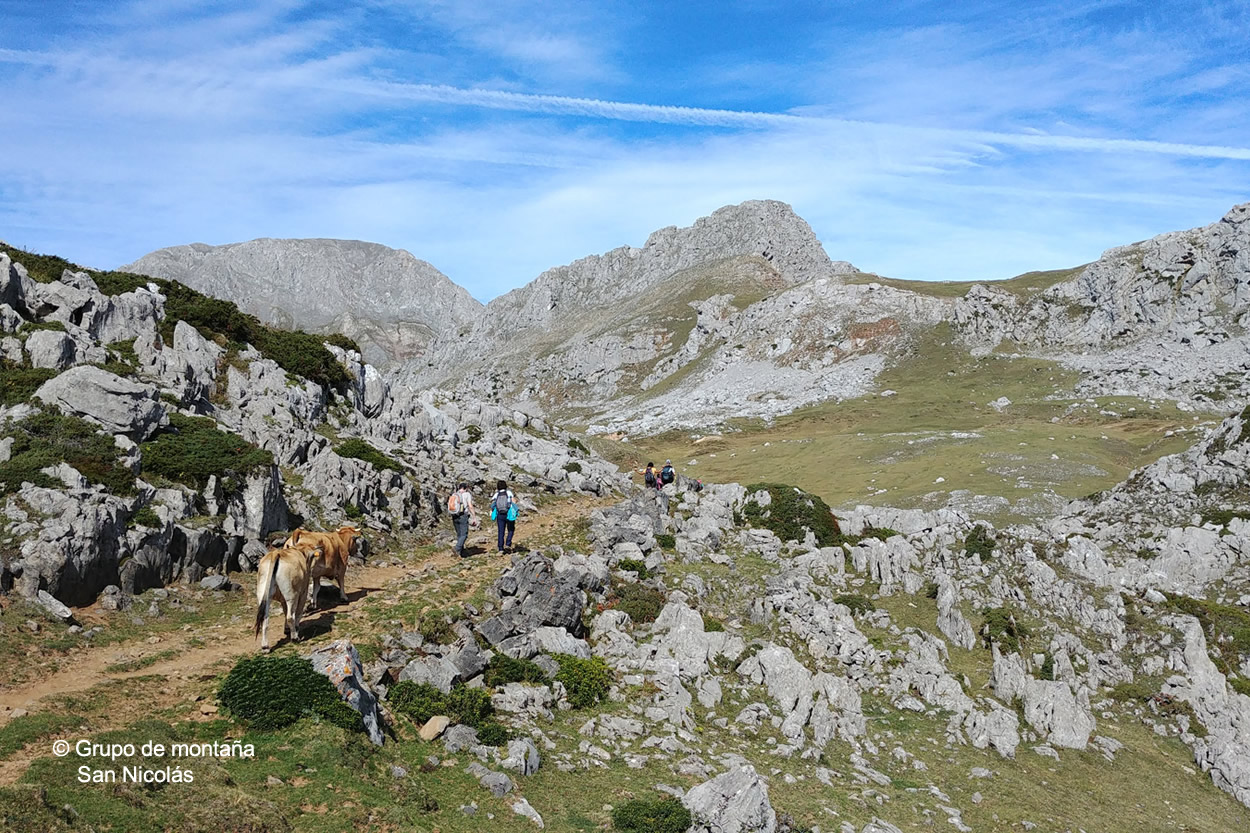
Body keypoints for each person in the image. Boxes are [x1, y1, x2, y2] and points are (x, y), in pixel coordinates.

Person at [448, 482, 477, 557]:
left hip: (454, 515)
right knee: (464, 534)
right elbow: (470, 506)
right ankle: (457, 548)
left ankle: (461, 552)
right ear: (466, 488)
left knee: (459, 534)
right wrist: (474, 517)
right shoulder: (467, 494)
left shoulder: (455, 494)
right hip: (463, 515)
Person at [491, 479, 517, 554]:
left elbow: (493, 504)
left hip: (500, 514)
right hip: (509, 513)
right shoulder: (508, 492)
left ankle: (500, 548)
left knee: (501, 531)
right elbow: (513, 501)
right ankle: (508, 543)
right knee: (511, 528)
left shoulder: (496, 494)